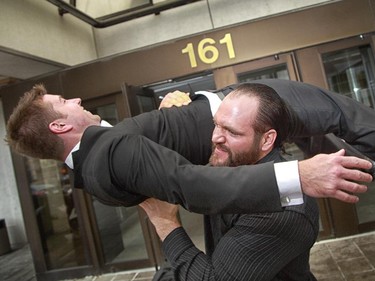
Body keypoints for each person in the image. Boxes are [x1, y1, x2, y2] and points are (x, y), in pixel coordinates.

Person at [5, 81, 373, 215]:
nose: (76, 99)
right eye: (65, 102)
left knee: (324, 134)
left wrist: (168, 114)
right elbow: (190, 184)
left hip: (229, 107)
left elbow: (157, 166)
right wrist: (298, 175)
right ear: (59, 125)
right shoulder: (110, 153)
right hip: (245, 110)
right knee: (345, 116)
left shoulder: (94, 165)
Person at [140, 83, 319, 280]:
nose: (216, 137)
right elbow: (181, 168)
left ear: (267, 140)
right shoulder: (230, 162)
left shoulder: (284, 209)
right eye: (215, 124)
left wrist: (165, 222)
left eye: (231, 132)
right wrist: (170, 122)